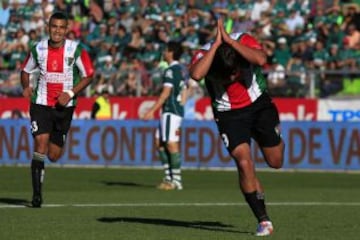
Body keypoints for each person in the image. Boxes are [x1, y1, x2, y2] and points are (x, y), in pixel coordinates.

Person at [189, 18, 284, 236]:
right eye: (228, 75)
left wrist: (230, 42)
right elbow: (195, 74)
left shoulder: (243, 40)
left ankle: (273, 141)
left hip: (259, 105)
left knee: (275, 161)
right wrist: (216, 45)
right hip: (229, 114)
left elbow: (261, 58)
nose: (232, 78)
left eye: (235, 73)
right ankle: (263, 220)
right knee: (243, 162)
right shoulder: (205, 54)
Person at [20, 12, 95, 208]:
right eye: (54, 26)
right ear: (48, 27)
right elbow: (25, 70)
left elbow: (89, 75)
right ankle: (37, 196)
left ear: (67, 29)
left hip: (64, 107)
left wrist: (70, 92)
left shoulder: (76, 50)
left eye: (62, 27)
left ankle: (57, 136)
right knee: (40, 145)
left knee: (53, 155)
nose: (57, 31)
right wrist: (26, 87)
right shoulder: (38, 49)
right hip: (41, 104)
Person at [142, 41, 187, 190]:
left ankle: (177, 180)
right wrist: (182, 104)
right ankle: (169, 178)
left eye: (165, 50)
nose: (163, 52)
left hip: (170, 111)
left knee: (170, 143)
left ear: (170, 52)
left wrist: (152, 110)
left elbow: (165, 93)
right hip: (173, 110)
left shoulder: (170, 70)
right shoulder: (181, 70)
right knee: (159, 142)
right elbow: (186, 89)